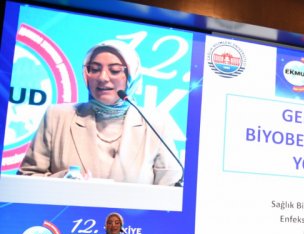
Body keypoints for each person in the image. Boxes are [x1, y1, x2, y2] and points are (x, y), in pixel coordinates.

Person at [18, 40, 182, 185]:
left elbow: (171, 188)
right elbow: (26, 179)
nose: (102, 77)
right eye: (94, 69)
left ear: (132, 76)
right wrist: (64, 181)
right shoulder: (57, 116)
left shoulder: (155, 124)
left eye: (115, 70)